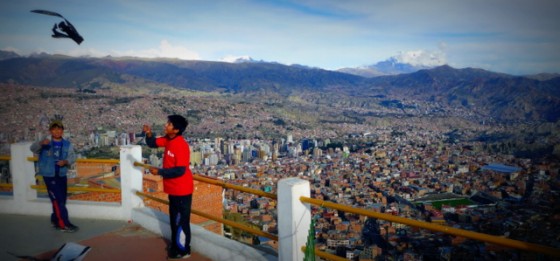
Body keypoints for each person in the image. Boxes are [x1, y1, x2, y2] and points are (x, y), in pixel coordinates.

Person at [143, 115, 193, 260]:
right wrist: (148, 133)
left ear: (176, 130)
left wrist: (159, 172)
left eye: (169, 124)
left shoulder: (181, 145)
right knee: (174, 219)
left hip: (182, 190)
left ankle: (184, 250)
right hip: (172, 189)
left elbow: (180, 170)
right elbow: (152, 143)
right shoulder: (168, 140)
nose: (165, 125)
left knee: (181, 221)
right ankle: (176, 246)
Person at [30, 118, 78, 232]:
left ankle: (55, 219)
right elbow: (33, 149)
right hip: (49, 175)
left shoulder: (67, 144)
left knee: (60, 200)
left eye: (59, 129)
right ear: (50, 131)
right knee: (58, 200)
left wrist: (65, 162)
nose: (57, 131)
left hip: (61, 174)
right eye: (54, 129)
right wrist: (41, 143)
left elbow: (73, 156)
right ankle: (64, 224)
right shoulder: (46, 142)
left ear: (62, 131)